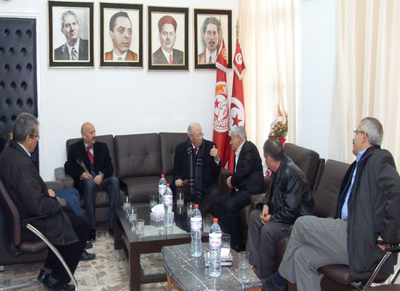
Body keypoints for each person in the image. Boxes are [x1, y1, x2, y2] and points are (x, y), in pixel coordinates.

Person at [265, 117, 400, 291]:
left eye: (356, 133)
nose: (353, 137)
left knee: (301, 224)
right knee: (302, 256)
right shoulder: (359, 164)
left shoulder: (380, 158)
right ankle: (280, 281)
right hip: (346, 233)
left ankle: (279, 281)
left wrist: (387, 236)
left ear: (364, 136)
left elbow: (396, 192)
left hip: (359, 240)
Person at [0, 113, 91, 290]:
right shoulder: (21, 164)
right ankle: (57, 279)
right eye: (36, 137)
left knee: (72, 217)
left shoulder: (8, 154)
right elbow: (36, 206)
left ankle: (49, 272)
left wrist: (49, 197)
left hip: (25, 217)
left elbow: (30, 194)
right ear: (28, 138)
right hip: (31, 222)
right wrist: (57, 202)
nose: (37, 140)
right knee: (81, 226)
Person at [246, 138, 314, 280]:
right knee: (254, 216)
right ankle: (253, 264)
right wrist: (266, 205)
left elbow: (291, 211)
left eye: (265, 157)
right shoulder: (278, 167)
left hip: (295, 220)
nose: (265, 161)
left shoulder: (292, 174)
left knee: (268, 229)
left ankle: (264, 276)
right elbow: (271, 190)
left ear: (269, 158)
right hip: (281, 213)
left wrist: (271, 218)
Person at [64, 122, 120, 242]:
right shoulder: (74, 148)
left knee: (114, 181)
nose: (94, 134)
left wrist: (101, 175)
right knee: (89, 184)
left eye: (94, 131)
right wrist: (81, 174)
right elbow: (68, 167)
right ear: (84, 136)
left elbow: (110, 167)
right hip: (87, 183)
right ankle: (91, 228)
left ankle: (113, 226)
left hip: (101, 181)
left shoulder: (102, 146)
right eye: (91, 132)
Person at [213, 126, 264, 252]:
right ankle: (228, 235)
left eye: (231, 139)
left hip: (252, 191)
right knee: (217, 201)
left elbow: (243, 171)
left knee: (230, 205)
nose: (230, 142)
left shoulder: (249, 149)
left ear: (239, 138)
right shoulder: (242, 149)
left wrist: (231, 180)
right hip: (242, 189)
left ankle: (237, 244)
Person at [172, 122, 221, 216]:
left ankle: (196, 216)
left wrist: (217, 159)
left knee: (215, 192)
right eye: (197, 135)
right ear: (190, 137)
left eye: (201, 134)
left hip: (205, 187)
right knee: (178, 191)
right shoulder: (181, 149)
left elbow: (216, 173)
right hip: (188, 185)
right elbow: (176, 170)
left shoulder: (210, 146)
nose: (200, 138)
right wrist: (177, 179)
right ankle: (183, 219)